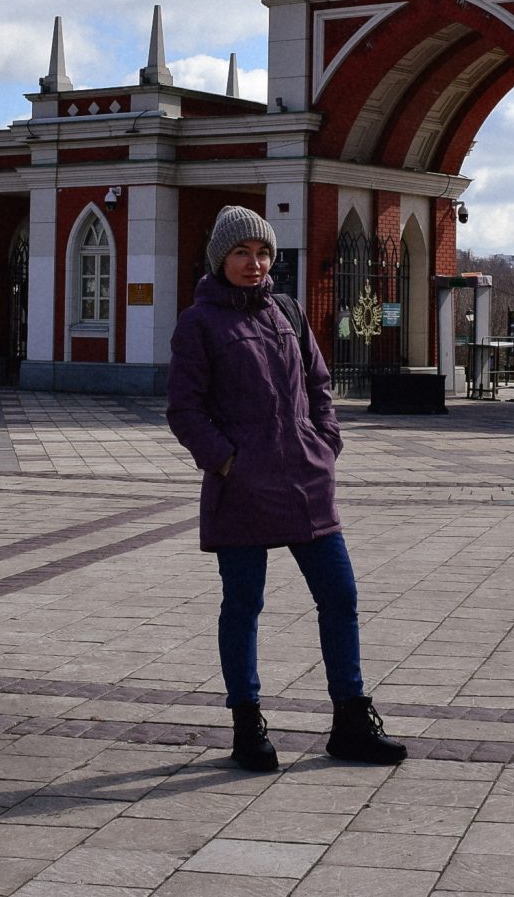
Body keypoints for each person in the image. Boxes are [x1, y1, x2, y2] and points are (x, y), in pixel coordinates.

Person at [168, 205, 407, 772]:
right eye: (241, 253)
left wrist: (324, 442)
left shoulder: (287, 312)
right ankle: (247, 726)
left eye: (263, 253)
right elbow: (185, 410)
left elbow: (318, 383)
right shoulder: (199, 324)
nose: (254, 264)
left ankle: (349, 720)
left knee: (340, 597)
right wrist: (227, 462)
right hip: (243, 488)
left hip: (305, 479)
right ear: (219, 259)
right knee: (244, 604)